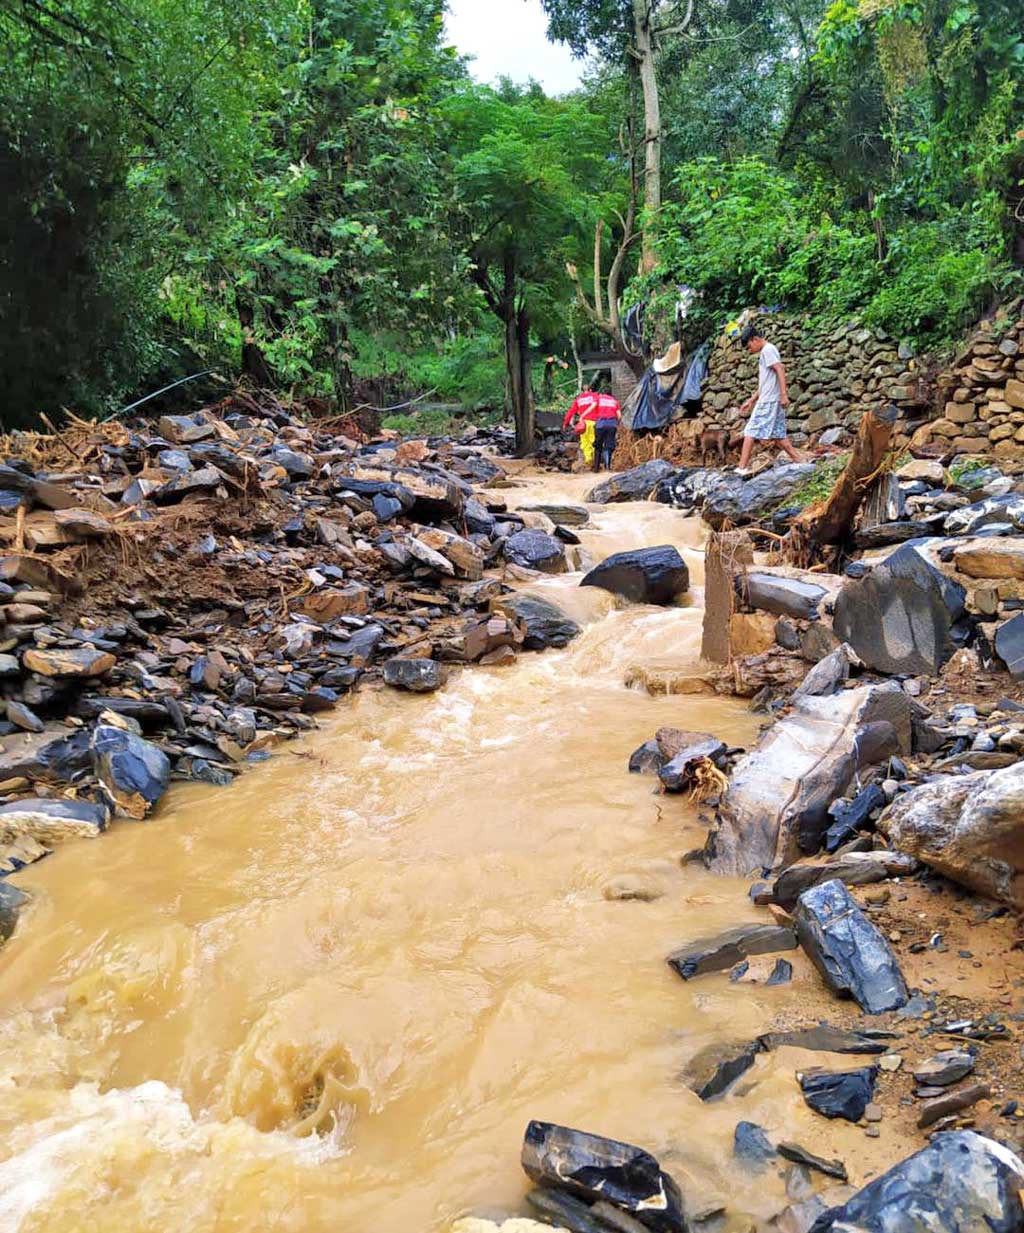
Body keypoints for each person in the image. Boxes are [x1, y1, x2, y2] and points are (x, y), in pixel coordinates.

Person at [736, 326, 803, 473]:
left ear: (755, 339)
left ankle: (741, 468)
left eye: (749, 346)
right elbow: (765, 383)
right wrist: (751, 400)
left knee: (750, 431)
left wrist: (784, 394)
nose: (749, 350)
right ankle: (799, 461)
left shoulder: (768, 350)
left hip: (769, 401)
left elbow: (780, 368)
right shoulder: (766, 351)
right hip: (770, 399)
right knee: (778, 434)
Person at [592, 391, 622, 472]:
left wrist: (583, 415)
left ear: (603, 393)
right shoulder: (615, 401)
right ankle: (607, 467)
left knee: (598, 446)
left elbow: (592, 407)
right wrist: (617, 423)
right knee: (608, 446)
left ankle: (596, 469)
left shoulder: (598, 398)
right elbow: (619, 416)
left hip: (600, 425)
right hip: (611, 425)